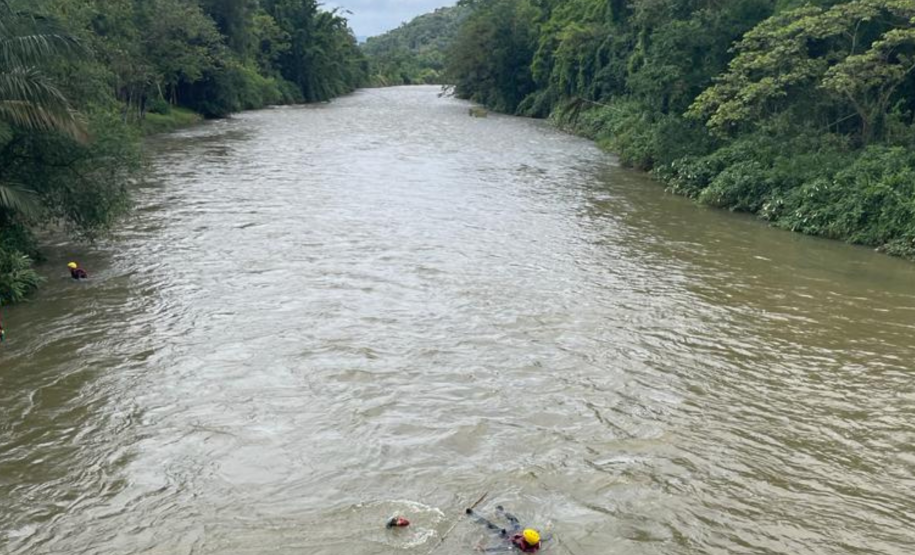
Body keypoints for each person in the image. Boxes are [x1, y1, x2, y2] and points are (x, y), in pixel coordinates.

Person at [468, 505, 545, 553]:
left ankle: (474, 516)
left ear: (526, 540)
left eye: (523, 535)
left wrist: (483, 550)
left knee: (491, 526)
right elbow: (546, 537)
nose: (522, 533)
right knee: (514, 520)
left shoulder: (516, 546)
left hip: (507, 536)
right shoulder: (537, 540)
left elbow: (500, 549)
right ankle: (502, 512)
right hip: (515, 531)